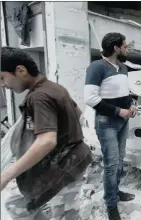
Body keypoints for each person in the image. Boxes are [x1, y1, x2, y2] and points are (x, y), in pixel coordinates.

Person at [0, 47, 93, 219]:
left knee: (19, 206)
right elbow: (79, 114)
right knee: (67, 212)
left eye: (2, 78)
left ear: (20, 70)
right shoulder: (55, 88)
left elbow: (47, 141)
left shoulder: (39, 97)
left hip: (62, 166)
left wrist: (6, 176)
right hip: (74, 162)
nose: (2, 85)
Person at [84, 32, 137, 220]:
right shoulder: (96, 67)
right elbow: (90, 99)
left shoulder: (122, 68)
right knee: (111, 164)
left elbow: (125, 93)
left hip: (123, 120)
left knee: (120, 160)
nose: (126, 49)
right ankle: (111, 205)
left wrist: (131, 105)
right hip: (107, 123)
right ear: (116, 48)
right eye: (124, 46)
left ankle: (116, 192)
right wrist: (118, 112)